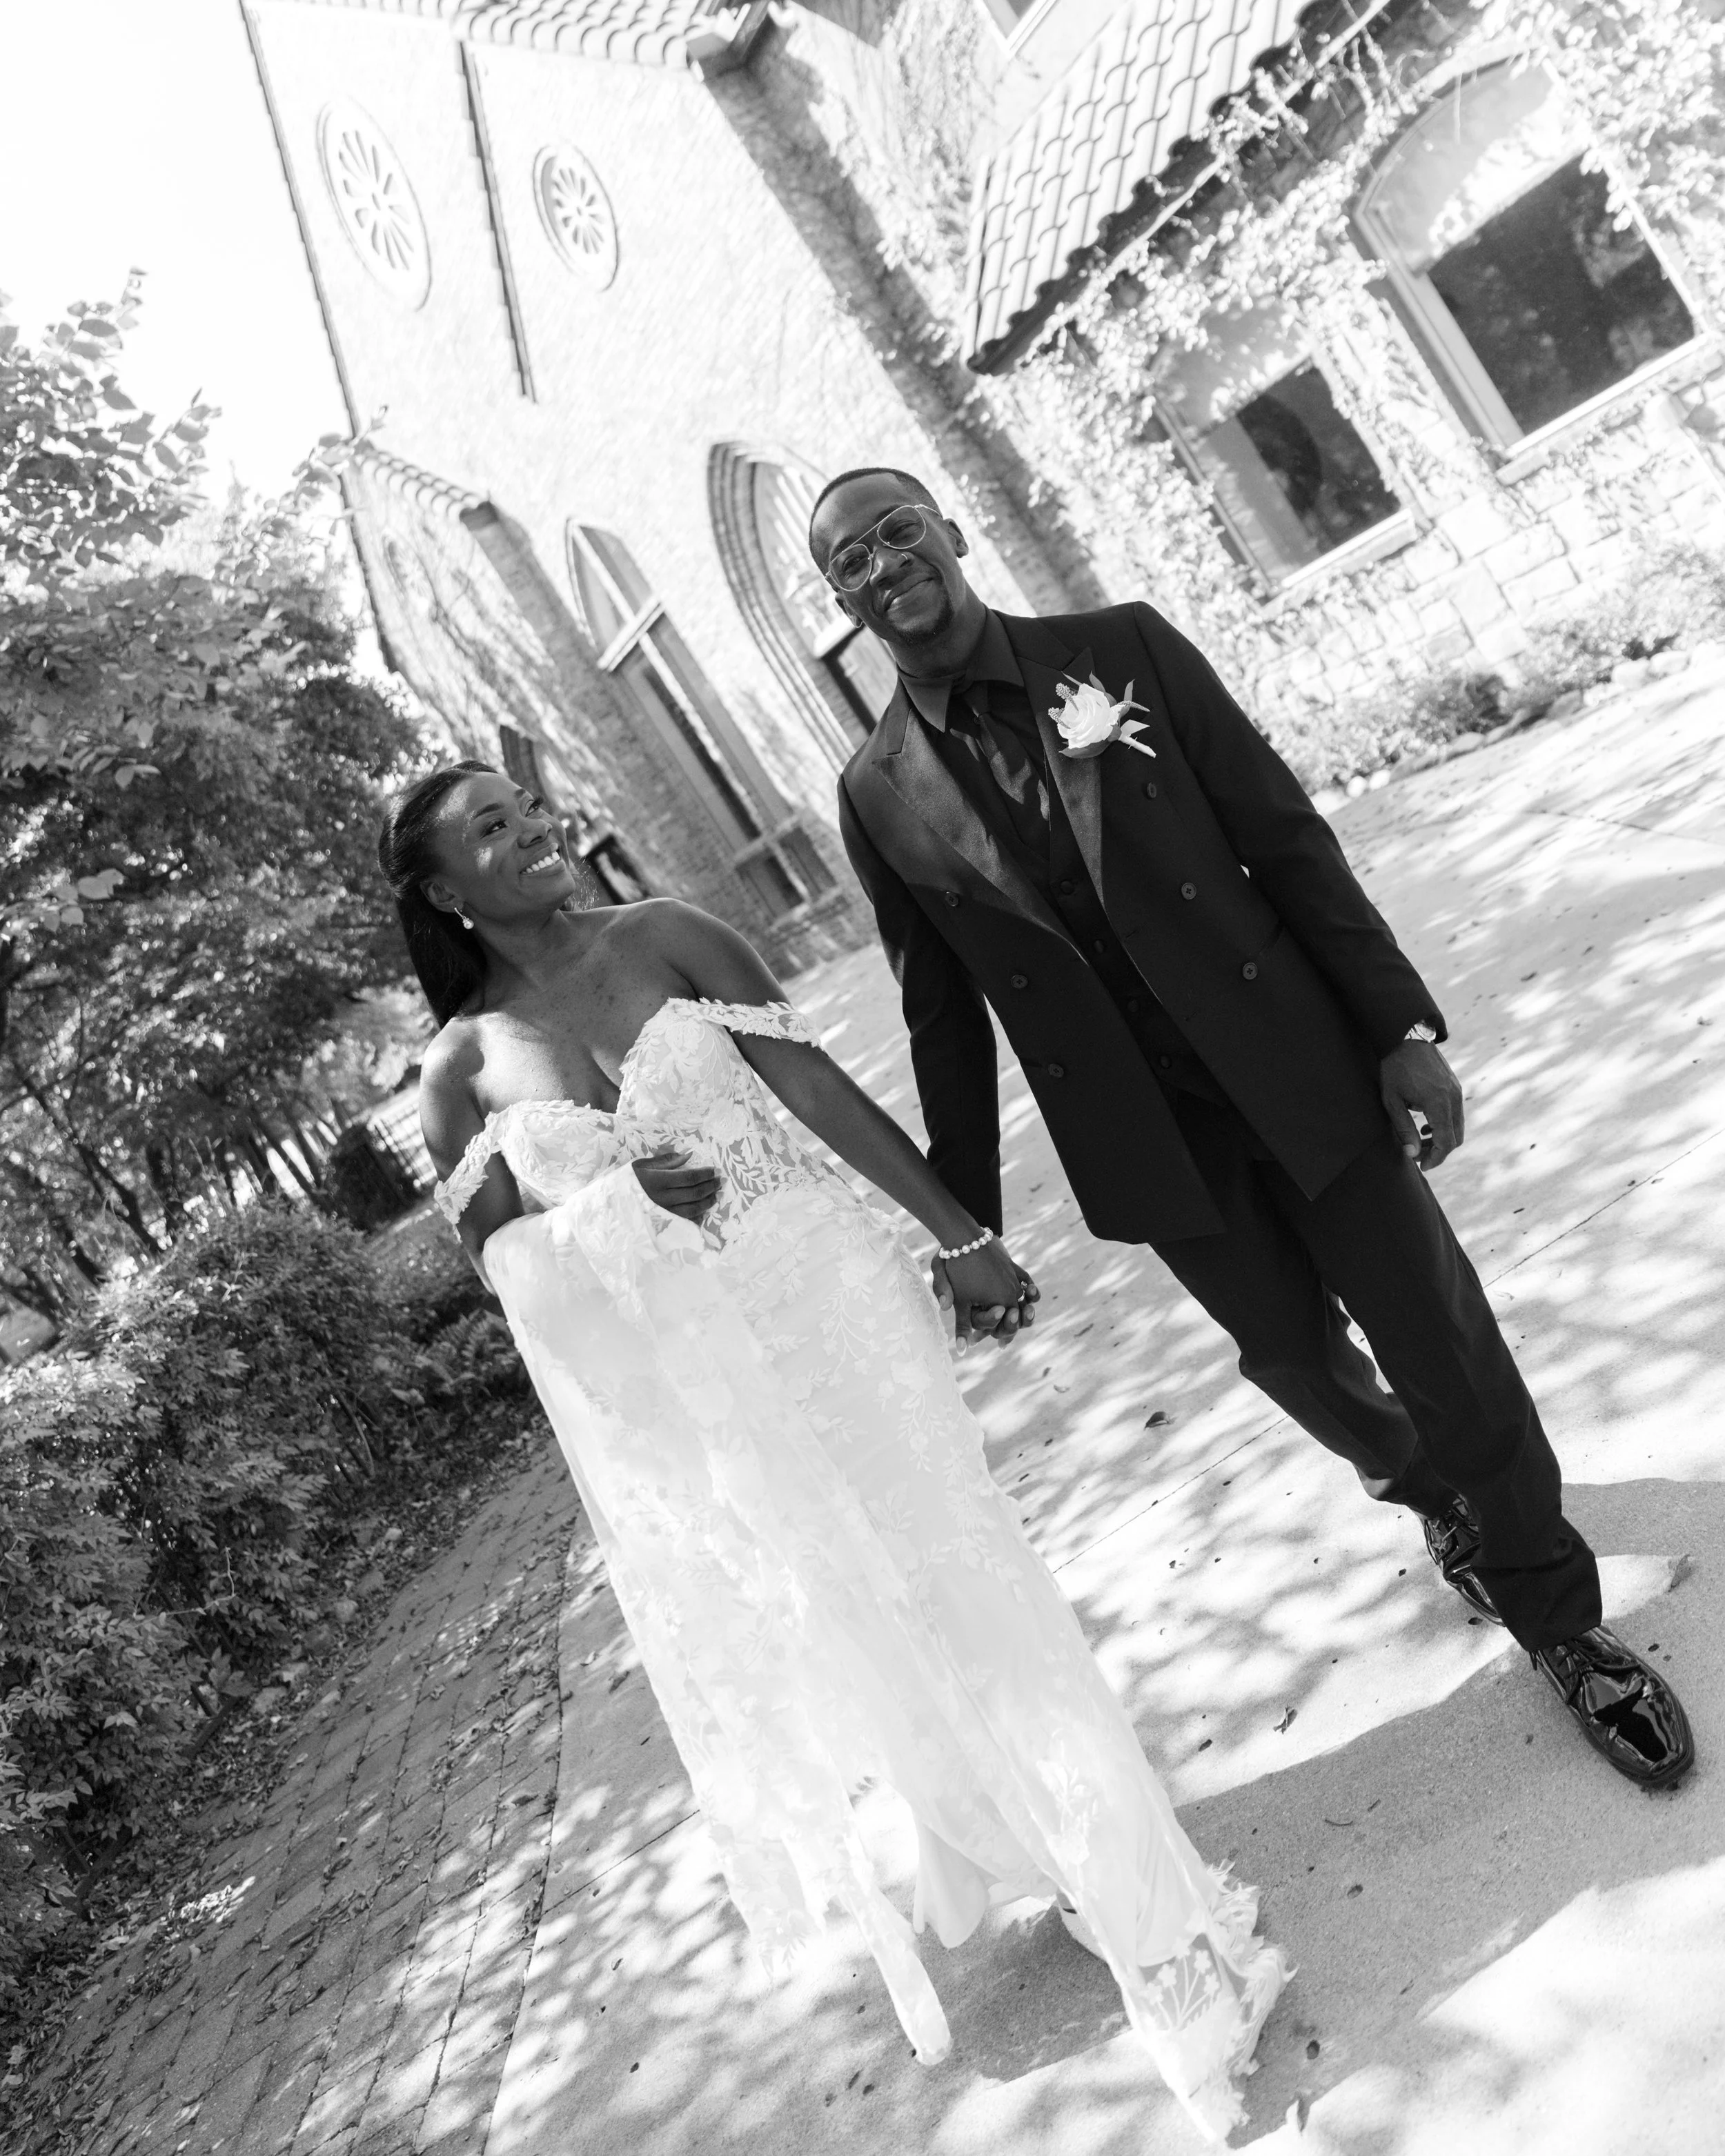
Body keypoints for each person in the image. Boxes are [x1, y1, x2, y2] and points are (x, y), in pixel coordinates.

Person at [379, 763, 1290, 2144]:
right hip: (705, 1383)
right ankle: (1004, 1829)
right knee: (863, 1608)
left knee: (966, 1571)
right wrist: (607, 1210)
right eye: (488, 830)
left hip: (826, 1291)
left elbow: (809, 1086)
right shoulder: (457, 1071)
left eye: (526, 803)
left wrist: (957, 1230)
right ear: (443, 892)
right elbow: (501, 1266)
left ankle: (1151, 1916)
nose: (531, 828)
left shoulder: (674, 932)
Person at [818, 464, 1694, 1791]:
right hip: (1143, 1136)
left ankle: (1560, 1620)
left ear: (947, 528)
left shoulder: (1119, 648)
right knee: (1292, 1358)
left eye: (897, 531)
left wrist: (1399, 1028)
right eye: (850, 562)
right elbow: (940, 1018)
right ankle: (1431, 1494)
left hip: (1296, 1063)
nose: (885, 564)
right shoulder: (875, 790)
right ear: (840, 603)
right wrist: (963, 1228)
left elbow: (1283, 836)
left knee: (1438, 1338)